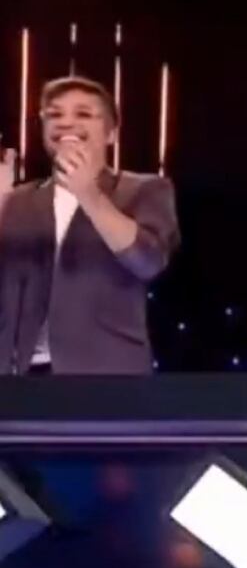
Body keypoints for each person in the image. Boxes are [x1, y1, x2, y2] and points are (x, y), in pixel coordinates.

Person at [0, 76, 179, 374]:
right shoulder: (19, 200)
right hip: (20, 377)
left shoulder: (144, 190)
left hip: (105, 376)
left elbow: (148, 262)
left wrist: (87, 192)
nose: (66, 123)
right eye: (54, 115)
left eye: (83, 114)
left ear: (111, 133)